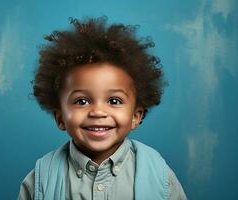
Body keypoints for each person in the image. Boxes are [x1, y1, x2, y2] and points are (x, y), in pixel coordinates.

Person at [17, 16, 187, 200]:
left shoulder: (159, 176)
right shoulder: (41, 180)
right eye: (82, 101)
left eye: (114, 101)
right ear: (60, 117)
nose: (98, 112)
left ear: (136, 117)